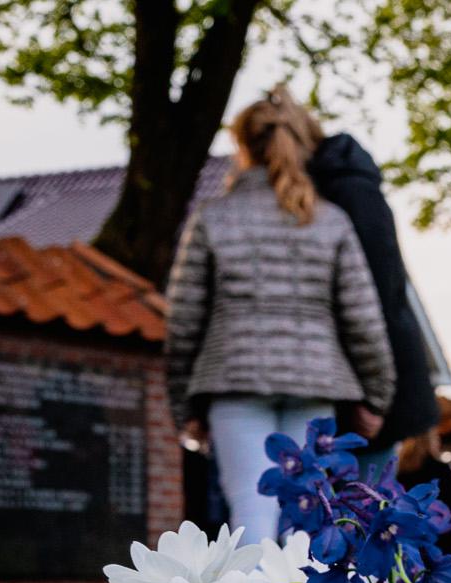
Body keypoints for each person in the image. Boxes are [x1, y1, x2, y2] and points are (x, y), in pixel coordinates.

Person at [166, 88, 395, 543]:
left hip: (233, 379)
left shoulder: (214, 218)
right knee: (308, 514)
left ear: (242, 145)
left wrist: (184, 408)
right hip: (316, 382)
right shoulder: (329, 221)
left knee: (250, 510)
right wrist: (376, 397)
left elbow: (183, 321)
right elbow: (362, 318)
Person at [309, 127, 440, 469]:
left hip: (368, 388)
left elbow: (375, 299)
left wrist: (373, 397)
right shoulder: (354, 189)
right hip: (365, 382)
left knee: (364, 493)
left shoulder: (349, 193)